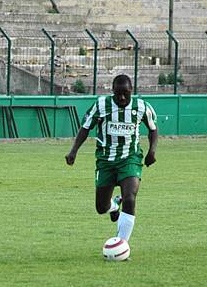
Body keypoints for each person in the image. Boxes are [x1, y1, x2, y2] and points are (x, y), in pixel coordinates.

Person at [65, 74, 158, 246]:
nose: (122, 97)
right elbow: (85, 128)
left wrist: (151, 151)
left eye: (126, 93)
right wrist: (73, 151)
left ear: (132, 91)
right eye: (118, 93)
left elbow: (153, 129)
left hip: (130, 158)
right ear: (112, 92)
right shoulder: (101, 105)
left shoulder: (142, 107)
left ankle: (121, 245)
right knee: (101, 207)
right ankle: (114, 205)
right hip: (105, 160)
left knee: (130, 198)